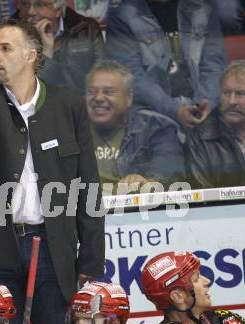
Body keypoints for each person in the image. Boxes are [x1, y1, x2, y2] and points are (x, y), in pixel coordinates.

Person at [0, 18, 104, 324]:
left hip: (54, 248)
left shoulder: (67, 105)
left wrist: (92, 263)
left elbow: (88, 189)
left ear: (30, 56)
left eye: (5, 48)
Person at [106, 0, 226, 130]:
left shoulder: (203, 8)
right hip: (153, 113)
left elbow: (213, 66)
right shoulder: (122, 15)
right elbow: (132, 79)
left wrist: (205, 105)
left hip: (203, 108)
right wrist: (175, 111)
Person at [86, 60, 185, 194]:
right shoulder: (71, 132)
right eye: (91, 92)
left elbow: (169, 175)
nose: (98, 98)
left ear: (129, 98)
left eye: (108, 92)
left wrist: (146, 182)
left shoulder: (156, 129)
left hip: (138, 212)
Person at [186, 60, 245, 188]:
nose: (232, 101)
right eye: (226, 93)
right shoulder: (200, 138)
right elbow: (204, 198)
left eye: (240, 94)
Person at [27, 0, 106, 94]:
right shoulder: (14, 35)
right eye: (25, 4)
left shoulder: (87, 29)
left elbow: (103, 74)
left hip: (82, 102)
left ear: (58, 10)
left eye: (39, 5)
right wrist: (44, 53)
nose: (30, 12)